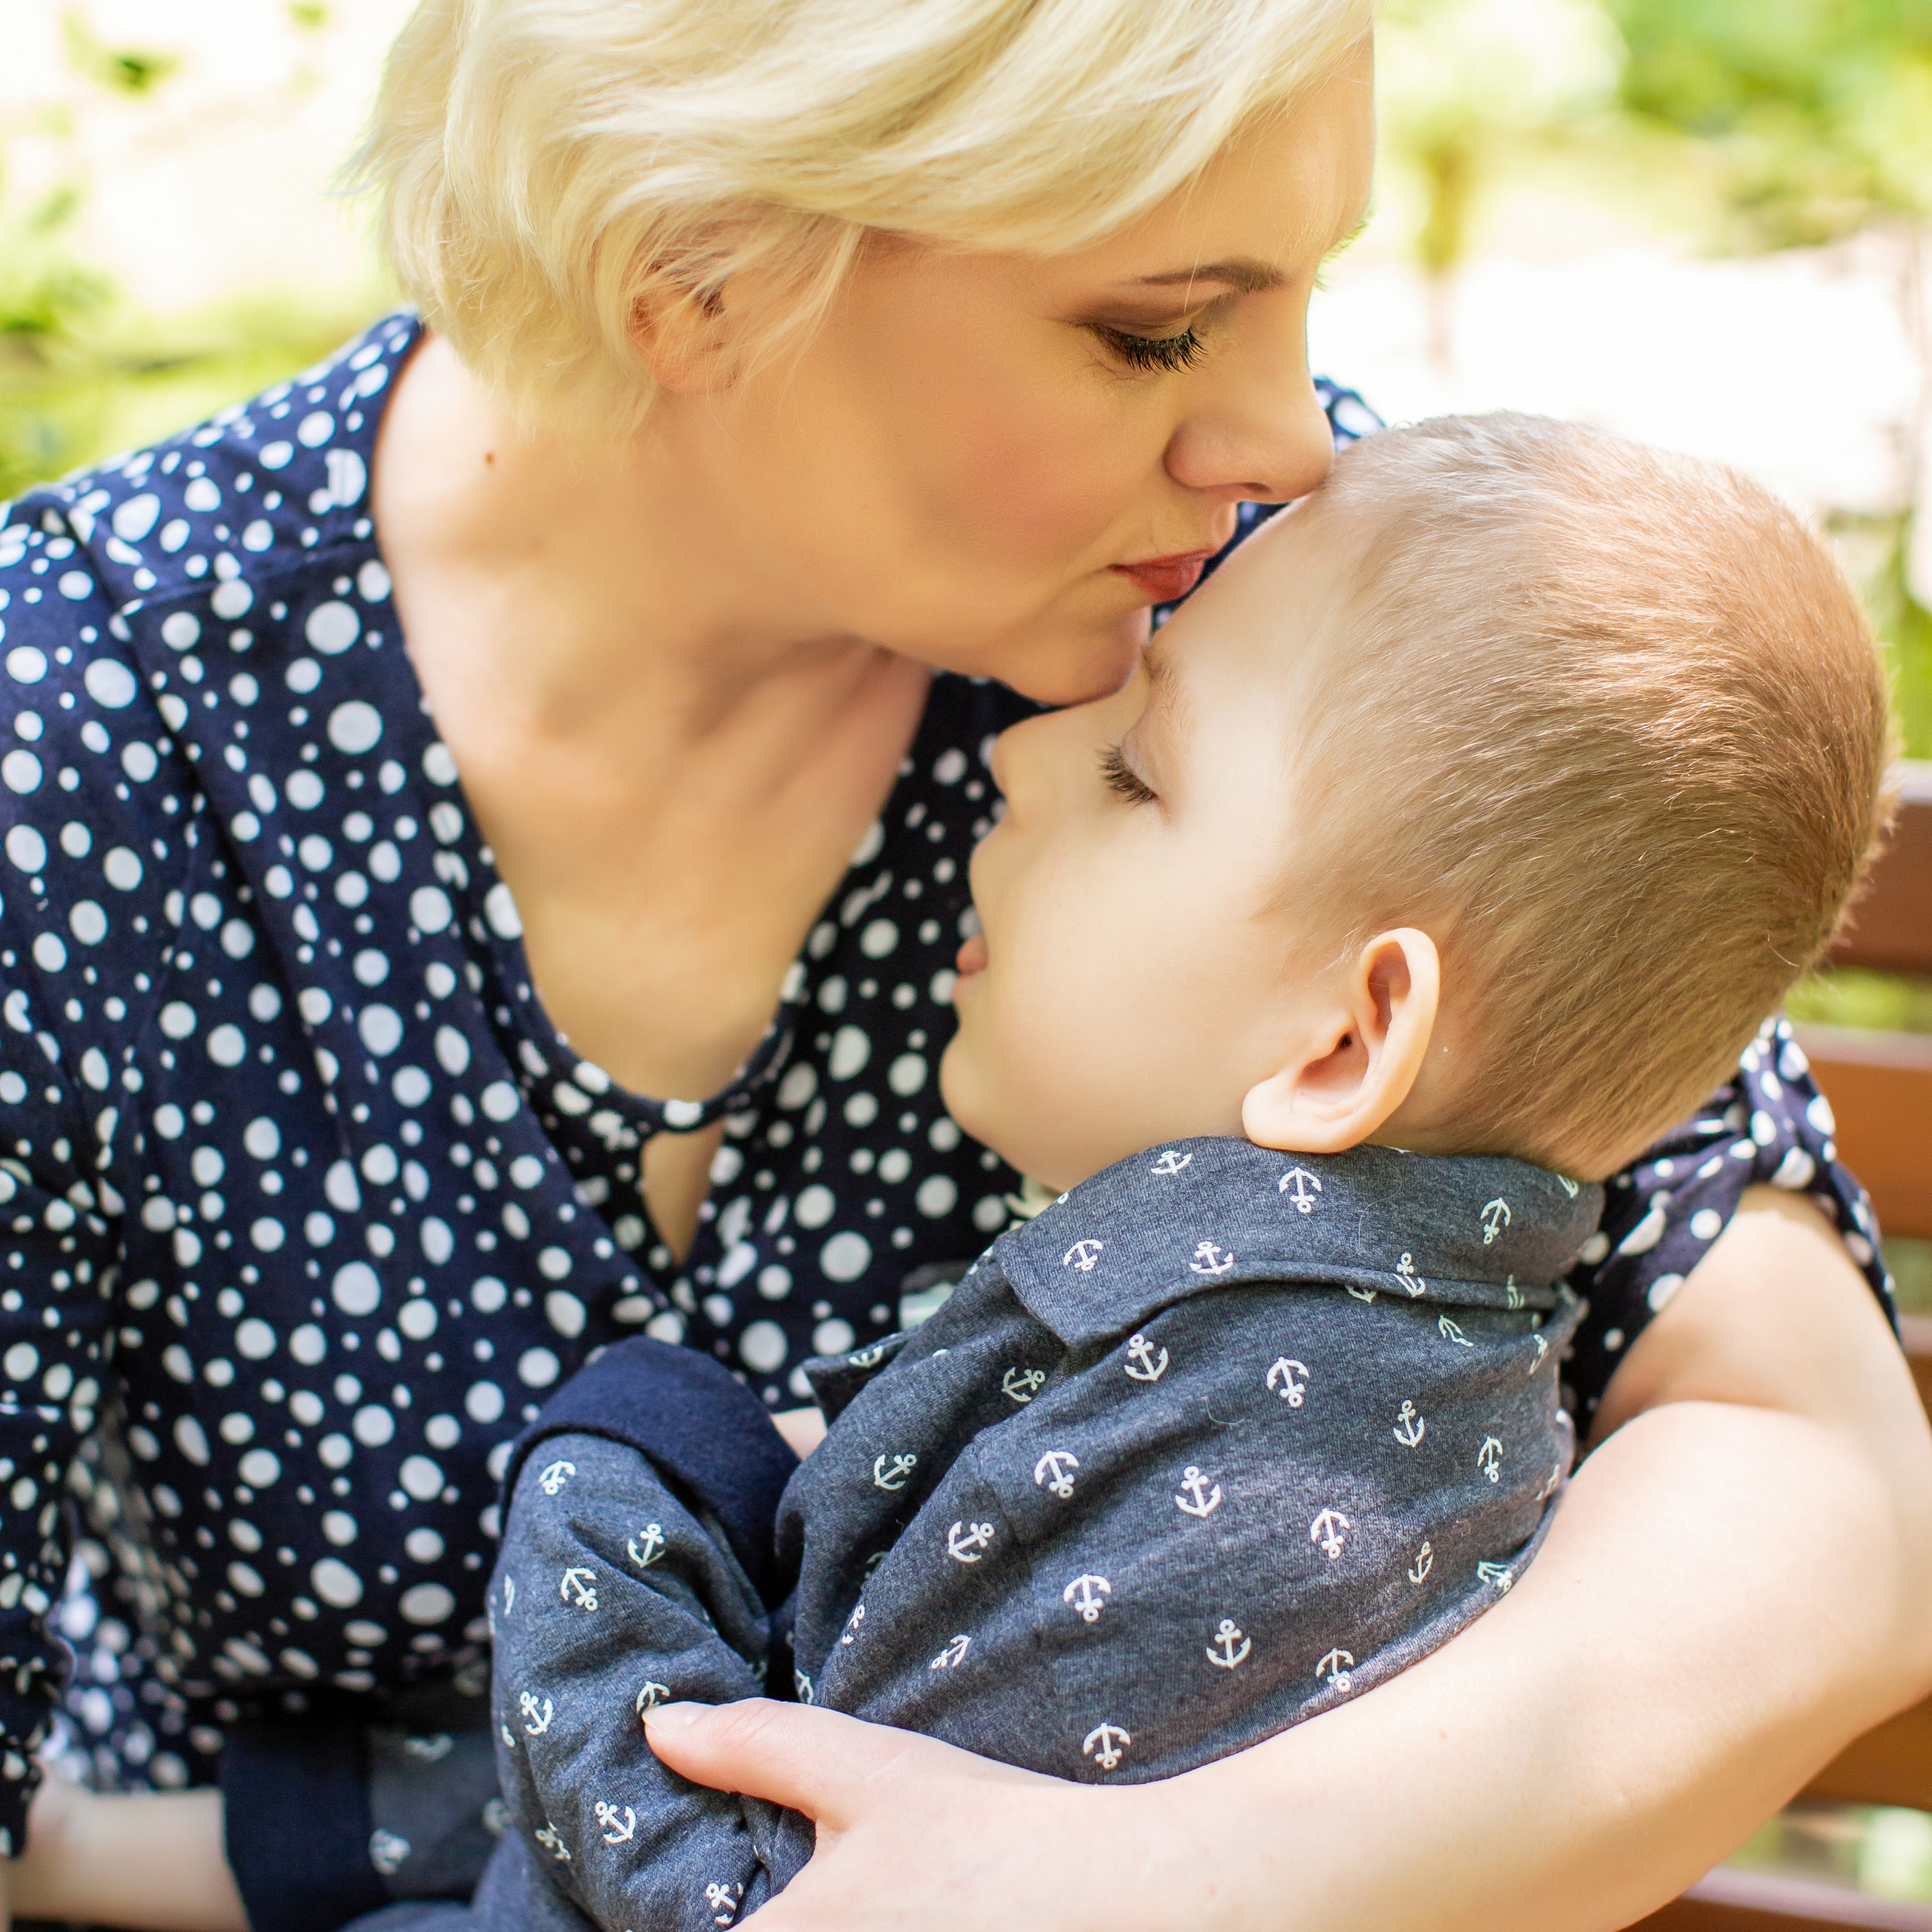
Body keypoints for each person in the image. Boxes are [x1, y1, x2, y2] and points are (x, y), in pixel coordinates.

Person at [0, 4, 1925, 1930]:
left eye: (1298, 291)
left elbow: (1816, 1479)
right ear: (689, 274)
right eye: (1154, 326)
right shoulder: (88, 732)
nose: (1280, 429)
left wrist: (1142, 1887)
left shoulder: (1277, 614)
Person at [335, 411, 1884, 1932]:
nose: (1021, 748)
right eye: (1146, 319)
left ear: (1349, 1041)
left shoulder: (1221, 1458)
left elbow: (755, 1866)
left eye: (1137, 773)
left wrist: (623, 1470)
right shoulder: (1368, 1311)